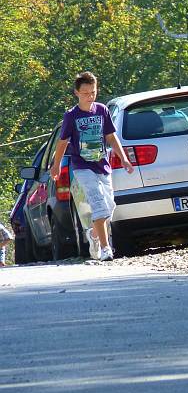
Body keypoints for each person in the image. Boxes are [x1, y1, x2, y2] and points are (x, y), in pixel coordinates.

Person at [50, 71, 133, 262]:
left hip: (102, 165)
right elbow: (62, 142)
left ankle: (94, 234)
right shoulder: (71, 116)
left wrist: (124, 158)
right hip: (82, 167)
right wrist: (56, 165)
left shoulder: (102, 110)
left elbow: (111, 137)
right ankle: (105, 248)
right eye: (86, 93)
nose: (90, 96)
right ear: (76, 93)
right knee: (99, 205)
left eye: (93, 92)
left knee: (109, 206)